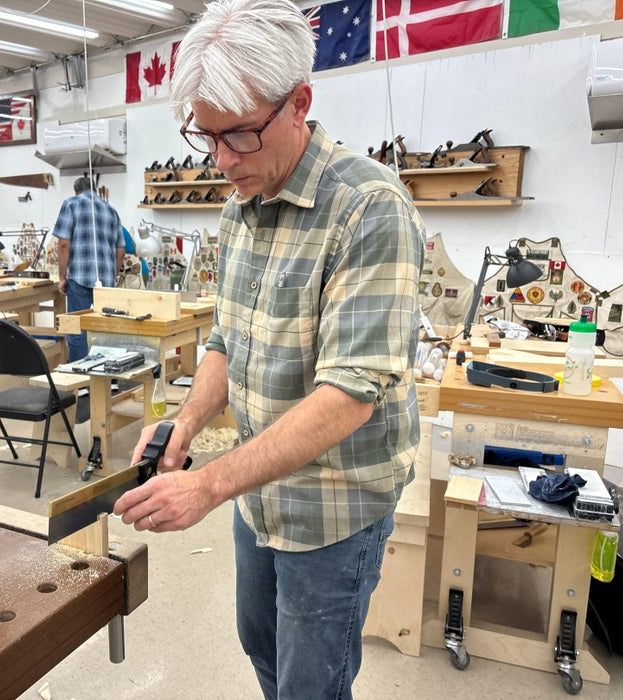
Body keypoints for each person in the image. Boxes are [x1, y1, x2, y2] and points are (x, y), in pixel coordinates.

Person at [112, 1, 426, 697]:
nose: (222, 161)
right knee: (262, 647)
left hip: (334, 506)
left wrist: (209, 483)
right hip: (262, 494)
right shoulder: (238, 206)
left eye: (240, 136)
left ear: (299, 104)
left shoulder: (369, 207)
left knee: (310, 682)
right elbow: (227, 336)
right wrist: (183, 427)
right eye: (206, 137)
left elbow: (347, 396)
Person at [53, 177, 125, 362]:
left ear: (76, 191)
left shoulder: (71, 204)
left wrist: (62, 277)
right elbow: (120, 249)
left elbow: (63, 244)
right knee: (106, 329)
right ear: (94, 189)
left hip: (80, 277)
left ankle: (81, 383)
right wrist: (112, 275)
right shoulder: (111, 211)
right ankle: (109, 380)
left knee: (77, 330)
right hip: (106, 282)